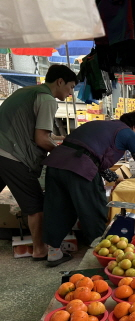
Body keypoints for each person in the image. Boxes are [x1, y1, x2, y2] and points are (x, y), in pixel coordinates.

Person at [42, 112, 135, 267]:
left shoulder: (100, 125)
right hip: (79, 167)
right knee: (93, 207)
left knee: (58, 207)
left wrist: (114, 177)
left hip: (55, 164)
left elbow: (95, 158)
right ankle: (101, 254)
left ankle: (54, 252)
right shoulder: (127, 132)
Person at [0, 64, 77, 262]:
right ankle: (40, 250)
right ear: (59, 82)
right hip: (12, 155)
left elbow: (34, 131)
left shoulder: (27, 91)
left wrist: (57, 140)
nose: (71, 93)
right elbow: (42, 139)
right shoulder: (47, 99)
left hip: (3, 150)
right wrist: (65, 156)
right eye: (70, 87)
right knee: (35, 205)